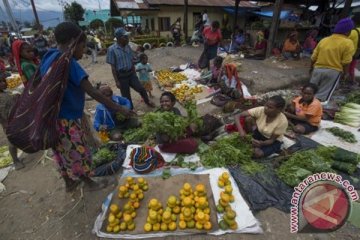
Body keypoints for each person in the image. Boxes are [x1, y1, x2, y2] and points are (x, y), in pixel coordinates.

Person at [40, 22, 134, 192]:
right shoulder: (68, 62)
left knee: (61, 151)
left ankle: (69, 182)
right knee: (78, 152)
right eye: (82, 46)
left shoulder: (49, 57)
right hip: (66, 120)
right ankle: (90, 183)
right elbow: (93, 92)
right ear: (72, 42)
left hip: (51, 119)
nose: (83, 51)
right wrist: (120, 109)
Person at [106, 27, 154, 109]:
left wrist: (139, 56)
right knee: (126, 95)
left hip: (131, 74)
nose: (128, 38)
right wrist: (117, 81)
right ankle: (130, 110)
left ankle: (147, 101)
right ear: (119, 38)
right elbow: (113, 67)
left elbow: (132, 59)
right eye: (125, 37)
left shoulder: (128, 47)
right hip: (121, 76)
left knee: (141, 88)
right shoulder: (111, 50)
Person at [310, 18, 355, 102]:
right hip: (333, 72)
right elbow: (346, 61)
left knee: (310, 91)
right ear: (347, 31)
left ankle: (306, 107)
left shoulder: (324, 40)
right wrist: (345, 73)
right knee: (322, 96)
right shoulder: (348, 43)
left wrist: (311, 67)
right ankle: (315, 111)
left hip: (318, 69)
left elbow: (313, 57)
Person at [0, 71, 23, 169]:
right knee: (12, 142)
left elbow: (11, 103)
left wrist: (16, 97)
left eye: (3, 81)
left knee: (19, 136)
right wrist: (4, 124)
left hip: (15, 120)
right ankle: (15, 160)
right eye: (0, 82)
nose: (4, 83)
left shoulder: (5, 93)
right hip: (7, 124)